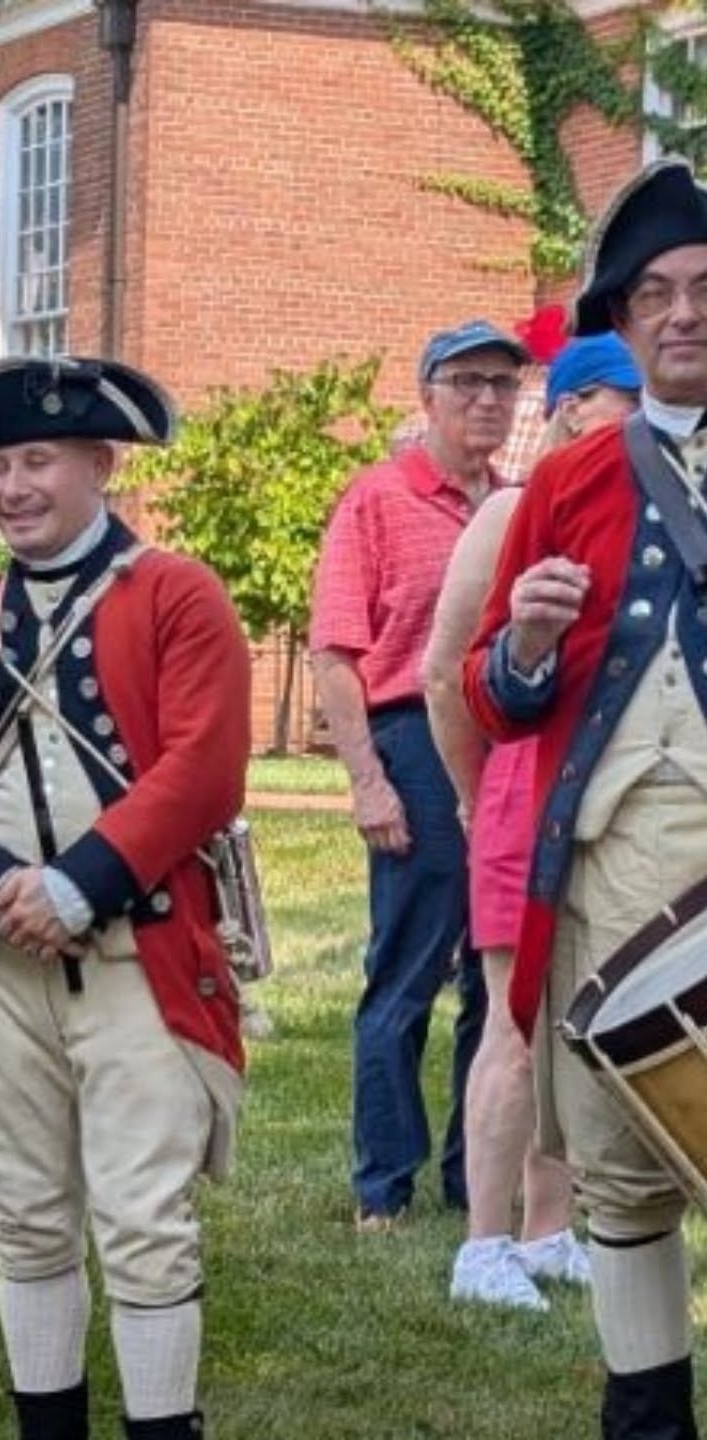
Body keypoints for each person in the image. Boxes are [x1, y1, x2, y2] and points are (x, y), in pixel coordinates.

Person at [0, 356, 252, 1440]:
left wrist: (76, 884)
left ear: (102, 464)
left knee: (144, 1223)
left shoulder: (178, 595)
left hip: (138, 955)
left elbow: (203, 771)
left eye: (37, 461)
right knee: (26, 1219)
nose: (11, 489)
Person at [465, 157, 707, 1439]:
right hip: (612, 878)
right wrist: (524, 645)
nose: (683, 314)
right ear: (622, 321)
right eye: (654, 294)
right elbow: (491, 694)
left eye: (704, 289)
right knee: (623, 1178)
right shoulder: (566, 482)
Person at [422, 332, 640, 1310]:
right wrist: (478, 795)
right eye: (622, 402)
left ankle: (550, 1229)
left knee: (577, 1028)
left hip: (610, 797)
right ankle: (483, 1244)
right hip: (524, 789)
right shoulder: (514, 509)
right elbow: (445, 672)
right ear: (572, 408)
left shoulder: (649, 508)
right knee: (514, 1026)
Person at [308, 319, 526, 1229]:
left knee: (496, 974)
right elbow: (335, 652)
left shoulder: (518, 504)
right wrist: (368, 780)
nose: (487, 399)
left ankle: (477, 1177)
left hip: (502, 745)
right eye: (467, 381)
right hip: (413, 742)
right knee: (407, 968)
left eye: (503, 384)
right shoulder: (378, 498)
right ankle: (383, 1186)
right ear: (427, 394)